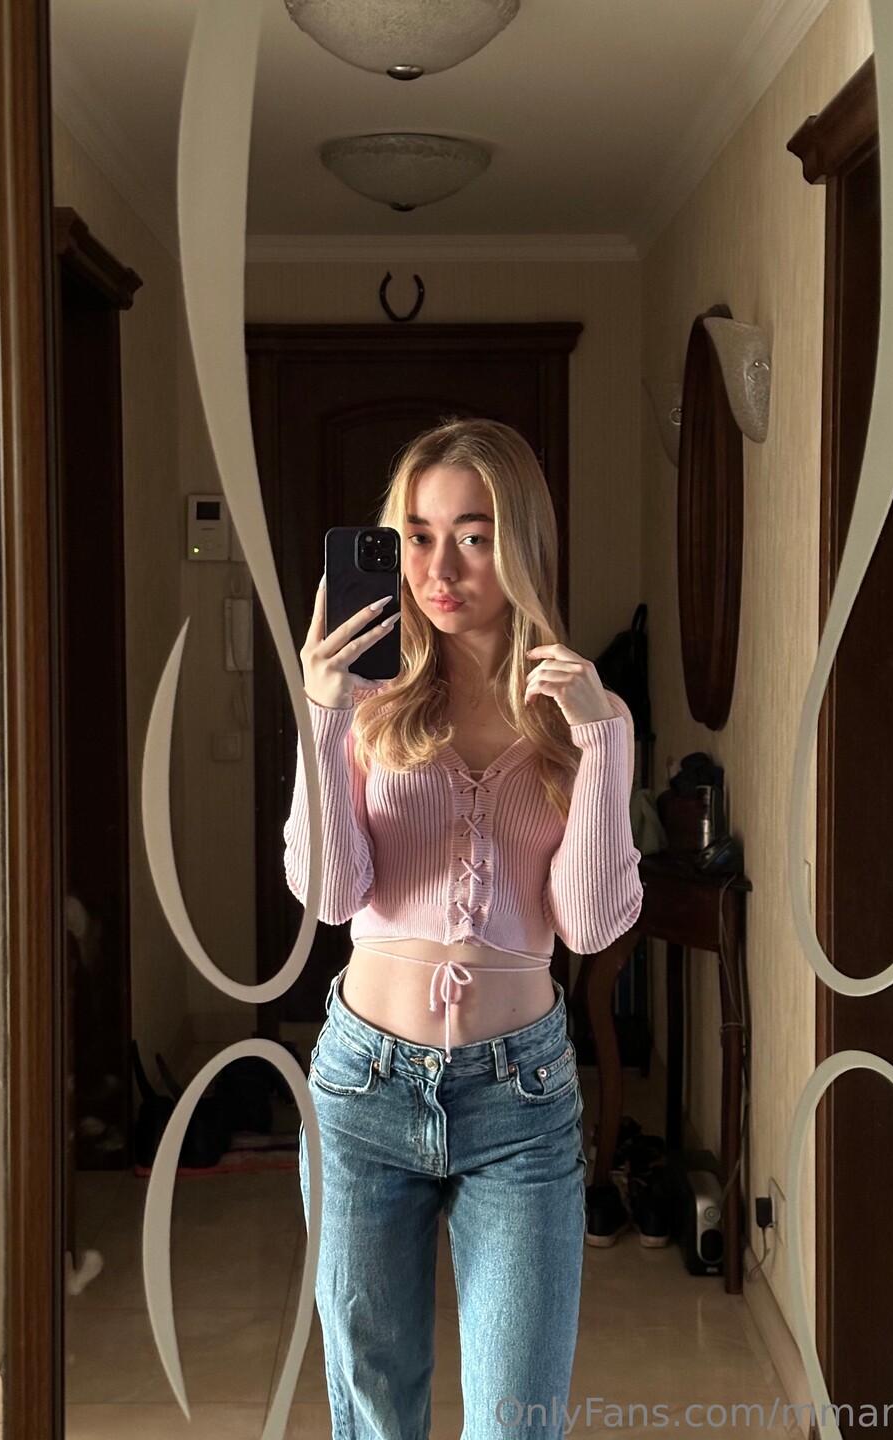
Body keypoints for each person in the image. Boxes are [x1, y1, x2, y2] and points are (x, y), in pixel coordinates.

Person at [283, 417, 643, 1440]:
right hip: (362, 1091)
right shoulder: (365, 702)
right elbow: (333, 894)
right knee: (375, 1414)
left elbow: (592, 921)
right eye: (418, 536)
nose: (439, 569)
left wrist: (604, 738)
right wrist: (319, 714)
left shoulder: (581, 717)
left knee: (517, 1419)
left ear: (522, 543)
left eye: (474, 536)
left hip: (520, 1099)